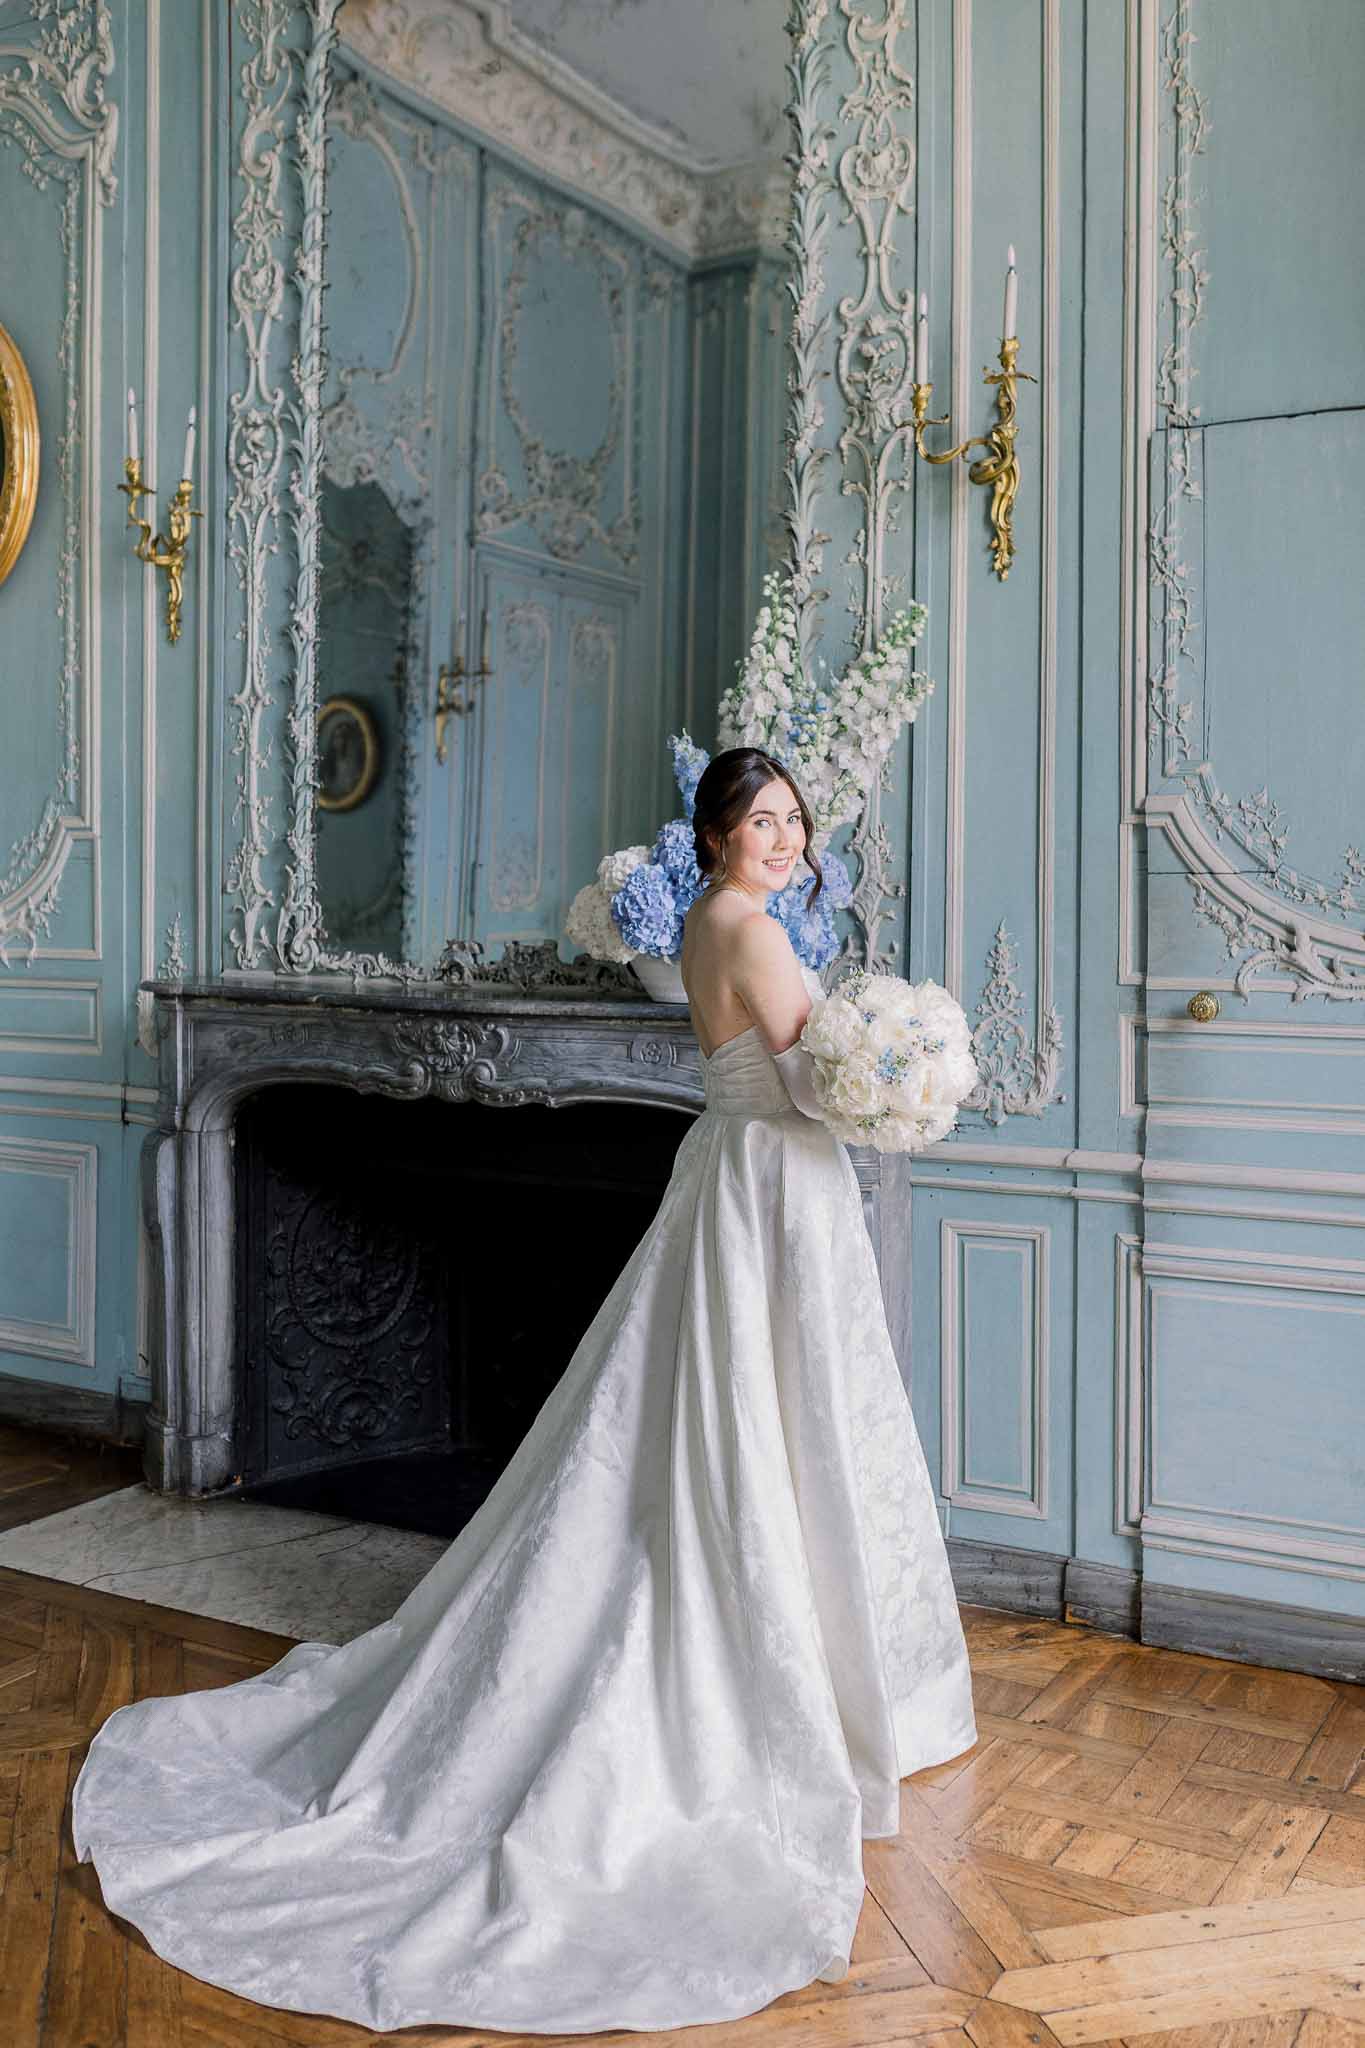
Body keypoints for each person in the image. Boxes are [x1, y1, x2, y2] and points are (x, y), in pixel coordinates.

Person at [71, 747, 978, 2034]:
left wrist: (874, 1063)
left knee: (718, 1414)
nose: (783, 838)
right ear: (713, 835)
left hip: (733, 1178)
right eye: (759, 820)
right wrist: (899, 1078)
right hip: (772, 1185)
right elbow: (808, 1082)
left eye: (793, 819)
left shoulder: (704, 928)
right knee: (769, 1419)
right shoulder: (754, 931)